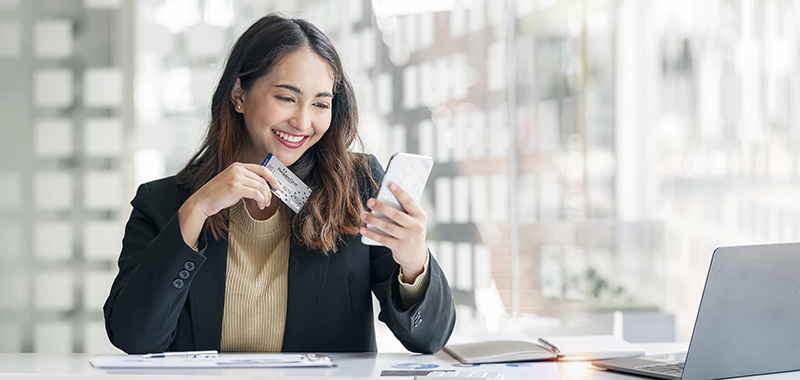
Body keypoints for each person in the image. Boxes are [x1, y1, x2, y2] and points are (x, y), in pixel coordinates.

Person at [103, 14, 456, 354]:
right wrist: (196, 211)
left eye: (320, 103)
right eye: (286, 98)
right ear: (239, 93)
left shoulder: (357, 188)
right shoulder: (162, 203)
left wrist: (414, 262)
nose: (303, 121)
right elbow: (134, 338)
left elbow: (429, 338)